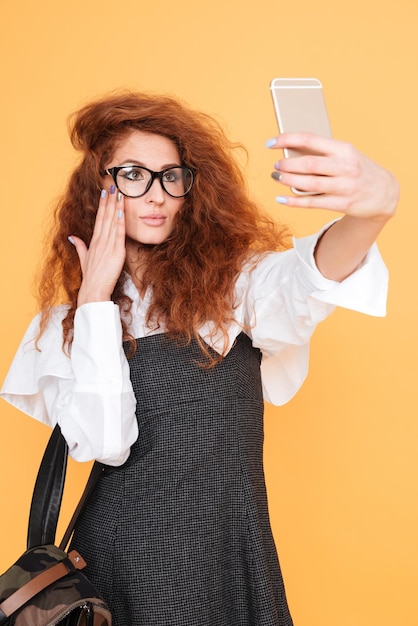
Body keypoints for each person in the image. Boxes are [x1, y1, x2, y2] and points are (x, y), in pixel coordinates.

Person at [0, 91, 398, 626]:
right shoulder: (59, 328)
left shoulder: (234, 290)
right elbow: (109, 444)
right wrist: (94, 303)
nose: (156, 193)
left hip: (218, 555)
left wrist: (375, 208)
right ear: (101, 186)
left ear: (192, 188)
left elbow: (308, 280)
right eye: (133, 174)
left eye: (172, 176)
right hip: (112, 560)